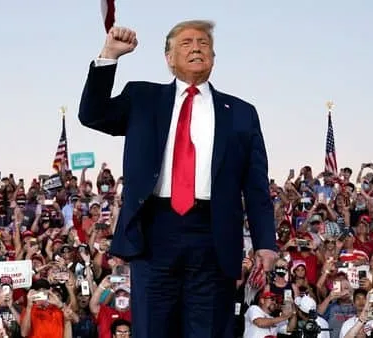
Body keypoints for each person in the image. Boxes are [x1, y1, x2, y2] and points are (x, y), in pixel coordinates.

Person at [78, 20, 277, 338]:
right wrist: (109, 56)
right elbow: (92, 113)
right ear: (168, 58)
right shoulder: (143, 97)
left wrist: (266, 242)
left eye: (203, 43)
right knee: (154, 328)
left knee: (208, 329)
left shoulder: (242, 112)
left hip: (214, 235)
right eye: (186, 43)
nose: (196, 47)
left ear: (213, 56)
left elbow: (255, 185)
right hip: (155, 232)